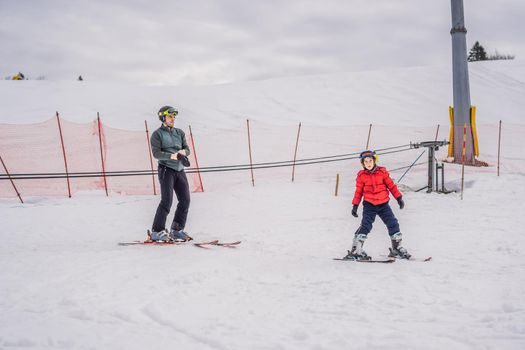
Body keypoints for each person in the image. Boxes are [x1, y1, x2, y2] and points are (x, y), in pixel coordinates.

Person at [345, 150, 411, 260]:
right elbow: (358, 192)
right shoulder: (362, 176)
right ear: (363, 164)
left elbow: (391, 186)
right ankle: (356, 249)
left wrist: (399, 198)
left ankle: (396, 248)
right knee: (366, 226)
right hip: (369, 205)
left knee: (393, 223)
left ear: (374, 161)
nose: (368, 163)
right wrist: (355, 206)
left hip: (383, 205)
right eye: (365, 162)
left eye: (370, 160)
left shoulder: (382, 172)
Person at [149, 105, 193, 242]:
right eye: (170, 116)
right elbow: (156, 153)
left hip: (180, 170)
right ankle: (157, 231)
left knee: (185, 200)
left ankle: (177, 229)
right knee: (167, 201)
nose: (172, 118)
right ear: (163, 118)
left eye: (174, 116)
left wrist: (183, 153)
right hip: (166, 169)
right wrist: (172, 156)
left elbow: (187, 148)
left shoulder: (179, 132)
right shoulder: (157, 134)